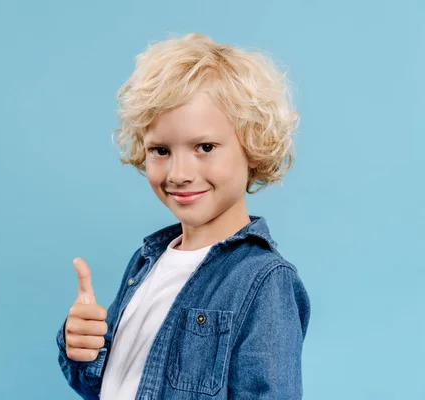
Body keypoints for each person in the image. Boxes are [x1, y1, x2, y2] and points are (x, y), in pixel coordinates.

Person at [56, 33, 311, 400]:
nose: (178, 173)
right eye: (160, 150)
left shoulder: (264, 281)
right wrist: (81, 348)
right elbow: (107, 386)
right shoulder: (147, 261)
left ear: (252, 146)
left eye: (204, 147)